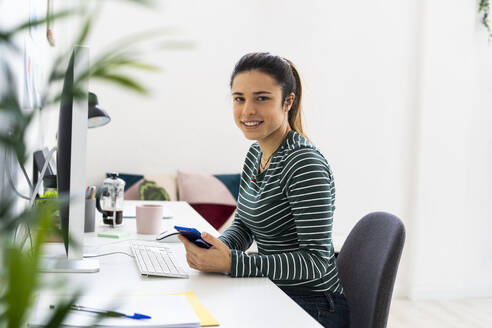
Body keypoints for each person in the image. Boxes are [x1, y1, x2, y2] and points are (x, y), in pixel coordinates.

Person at [178, 52, 350, 327]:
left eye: (262, 98)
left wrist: (232, 263)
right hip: (274, 290)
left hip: (315, 305)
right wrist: (216, 247)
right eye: (239, 98)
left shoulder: (303, 163)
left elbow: (316, 262)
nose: (247, 110)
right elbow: (246, 226)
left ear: (288, 101)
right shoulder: (255, 154)